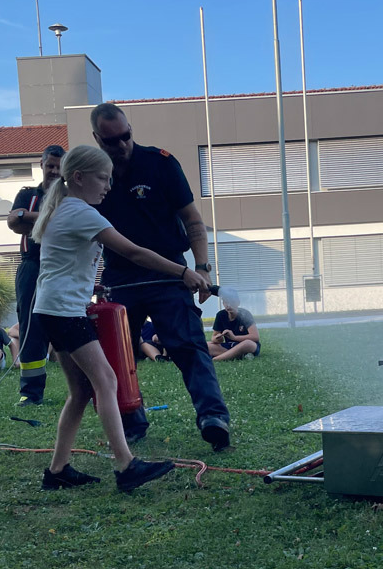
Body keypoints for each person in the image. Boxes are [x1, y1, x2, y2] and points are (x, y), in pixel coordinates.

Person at [31, 144, 196, 493]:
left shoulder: (64, 207)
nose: (108, 186)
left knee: (80, 392)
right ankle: (126, 465)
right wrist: (183, 272)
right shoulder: (81, 212)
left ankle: (57, 470)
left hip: (51, 309)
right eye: (103, 178)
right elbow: (134, 252)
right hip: (63, 312)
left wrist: (89, 286)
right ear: (79, 177)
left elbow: (64, 264)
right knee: (106, 381)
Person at [91, 102, 230, 451]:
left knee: (188, 345)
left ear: (130, 130)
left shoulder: (161, 163)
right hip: (121, 278)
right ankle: (130, 421)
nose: (121, 145)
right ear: (97, 139)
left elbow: (193, 220)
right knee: (117, 355)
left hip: (170, 274)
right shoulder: (93, 175)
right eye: (111, 141)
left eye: (125, 136)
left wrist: (202, 267)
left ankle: (213, 417)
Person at [7, 145, 65, 407]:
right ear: (41, 165)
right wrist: (43, 217)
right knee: (30, 327)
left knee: (69, 322)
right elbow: (13, 222)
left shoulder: (70, 195)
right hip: (31, 266)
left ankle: (84, 388)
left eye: (58, 167)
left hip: (62, 267)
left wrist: (28, 218)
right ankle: (31, 393)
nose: (54, 171)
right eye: (50, 165)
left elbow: (64, 220)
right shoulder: (27, 194)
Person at [209, 291, 260, 361]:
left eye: (231, 302)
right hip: (230, 346)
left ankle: (216, 359)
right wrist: (218, 338)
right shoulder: (220, 315)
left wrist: (234, 337)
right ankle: (237, 355)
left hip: (246, 345)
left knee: (248, 344)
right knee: (206, 345)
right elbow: (214, 337)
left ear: (238, 303)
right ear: (223, 303)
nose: (228, 305)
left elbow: (255, 337)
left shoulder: (245, 314)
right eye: (226, 302)